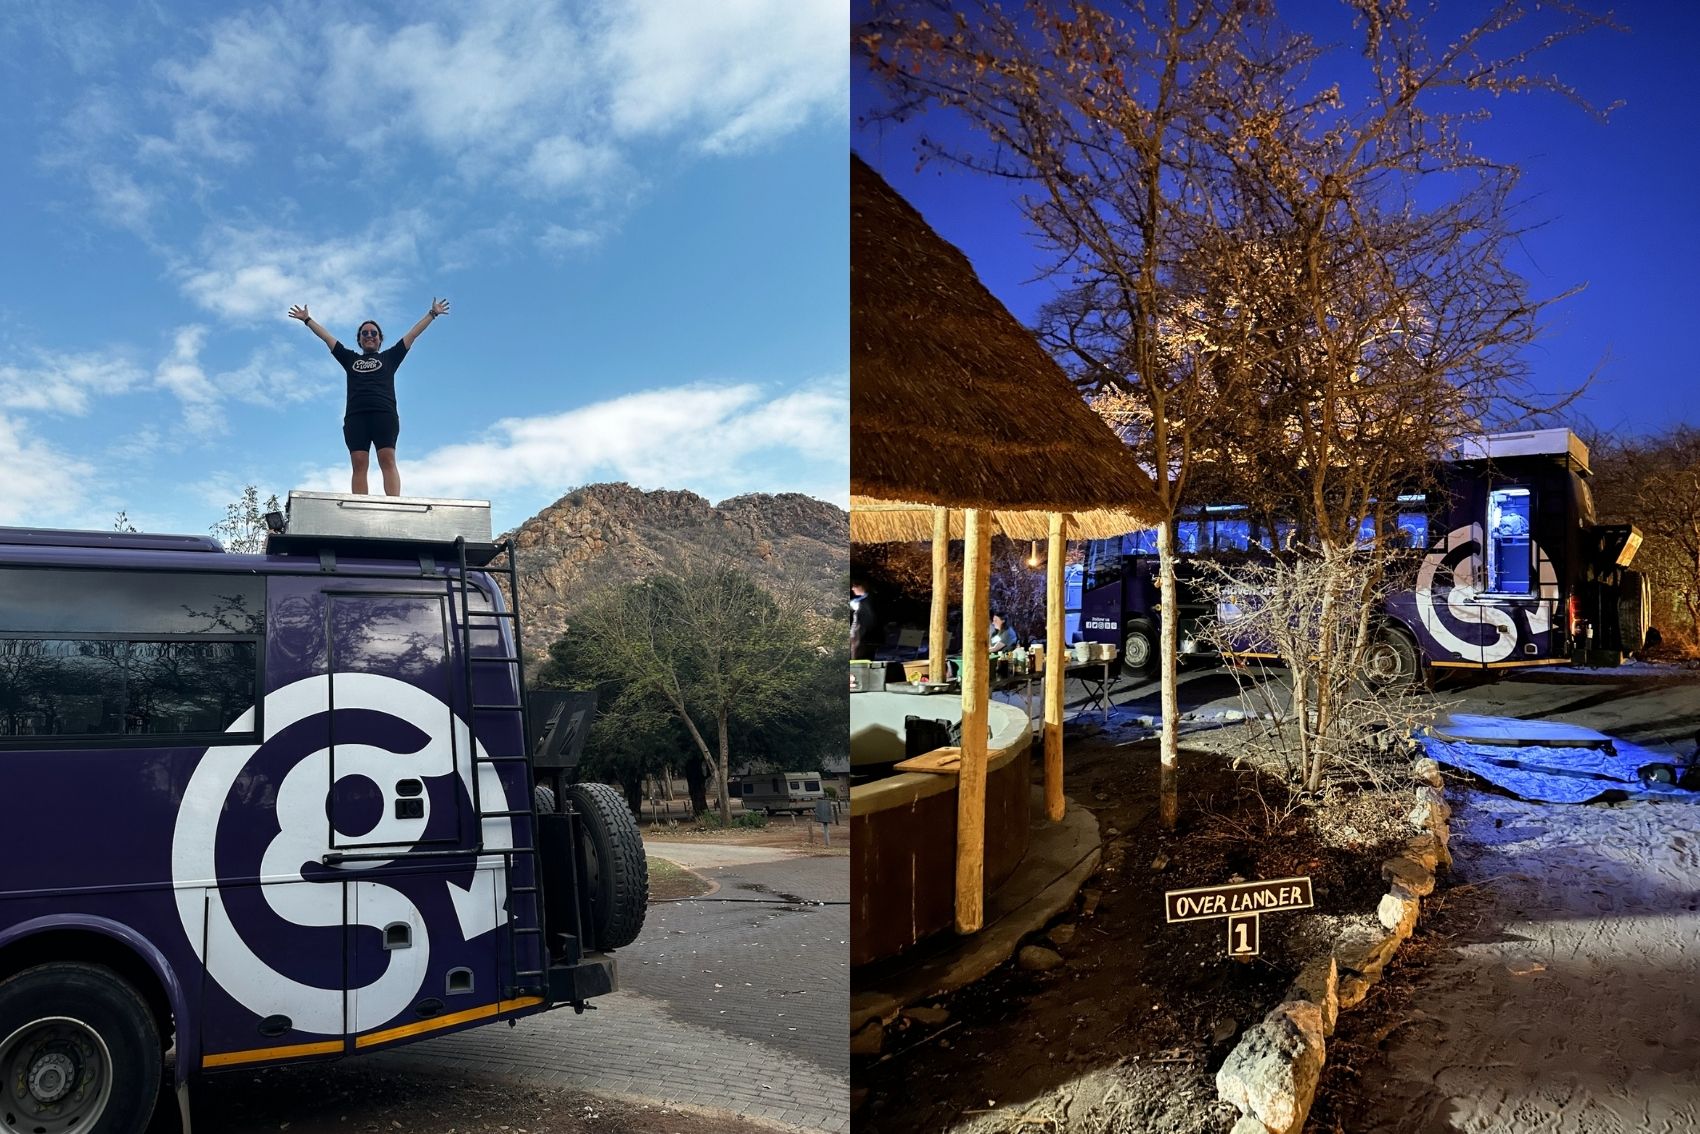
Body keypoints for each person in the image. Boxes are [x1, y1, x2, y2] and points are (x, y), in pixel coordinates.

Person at [287, 298, 450, 495]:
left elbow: (413, 334)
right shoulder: (350, 358)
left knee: (387, 459)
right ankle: (361, 508)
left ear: (380, 339)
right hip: (356, 417)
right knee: (359, 463)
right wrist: (307, 319)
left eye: (374, 333)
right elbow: (327, 338)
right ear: (359, 339)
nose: (369, 335)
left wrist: (432, 314)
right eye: (365, 333)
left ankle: (393, 506)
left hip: (384, 414)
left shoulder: (390, 357)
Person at [850, 581, 880, 661]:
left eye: (854, 586)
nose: (852, 588)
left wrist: (857, 636)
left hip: (862, 638)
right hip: (860, 638)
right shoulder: (860, 601)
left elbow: (867, 621)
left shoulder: (866, 602)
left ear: (862, 586)